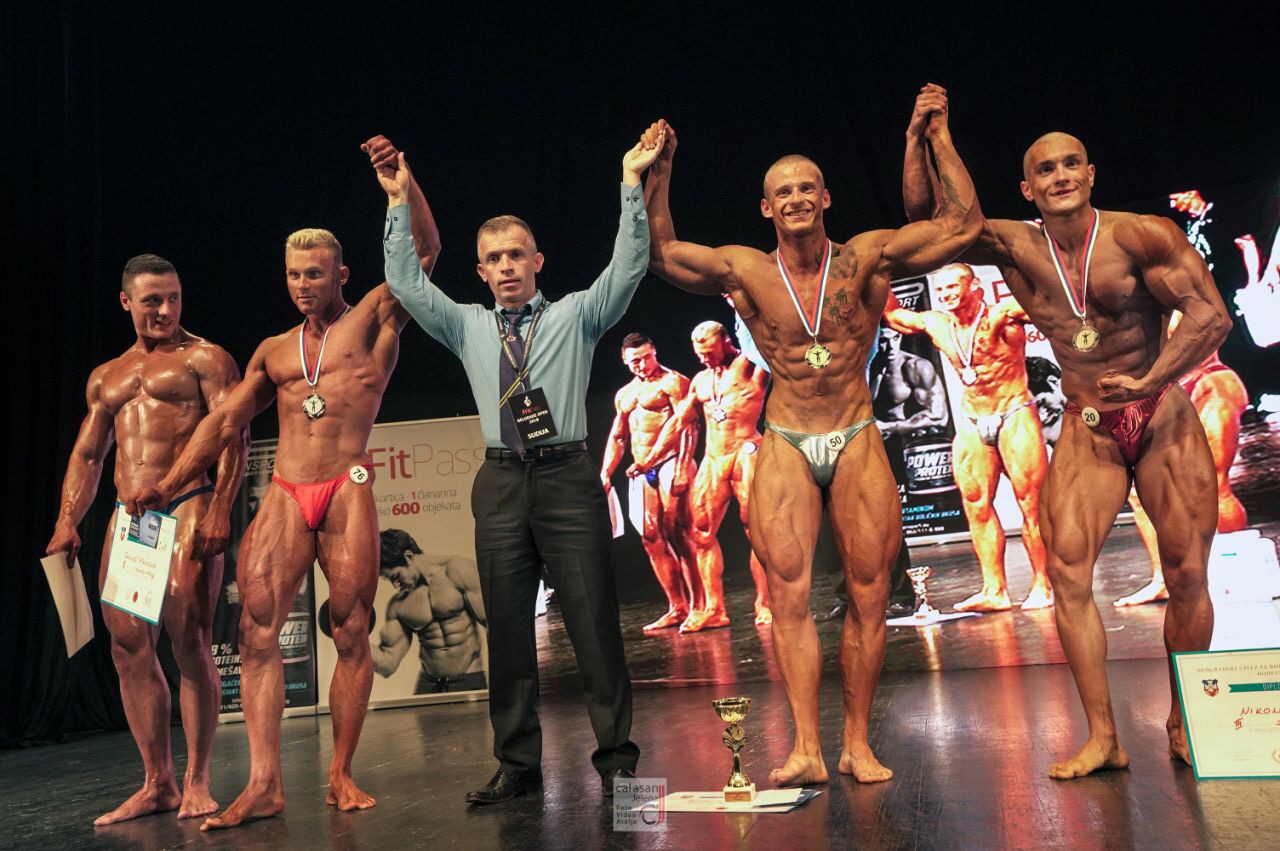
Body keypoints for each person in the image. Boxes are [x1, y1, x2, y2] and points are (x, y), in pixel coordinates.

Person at [641, 83, 981, 785]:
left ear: (825, 198)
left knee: (869, 593)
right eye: (783, 192)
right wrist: (661, 170)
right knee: (788, 598)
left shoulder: (866, 257)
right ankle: (805, 748)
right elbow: (662, 254)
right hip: (787, 438)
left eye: (806, 188)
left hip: (854, 432)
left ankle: (856, 743)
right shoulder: (746, 269)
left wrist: (932, 136)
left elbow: (960, 224)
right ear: (766, 207)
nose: (796, 198)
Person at [903, 117, 1231, 777]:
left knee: (1188, 573)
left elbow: (1211, 315)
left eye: (1071, 163)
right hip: (1089, 425)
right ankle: (1103, 736)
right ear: (1027, 187)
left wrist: (1150, 378)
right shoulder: (1017, 246)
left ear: (1090, 174)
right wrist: (930, 140)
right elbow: (935, 222)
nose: (1060, 176)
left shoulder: (1141, 235)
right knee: (1069, 576)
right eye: (1045, 169)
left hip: (1160, 415)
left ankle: (1184, 722)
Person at [131, 135, 441, 827]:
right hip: (286, 491)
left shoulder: (374, 318)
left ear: (341, 274)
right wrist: (170, 482)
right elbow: (222, 423)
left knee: (351, 628)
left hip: (346, 484)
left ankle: (341, 772)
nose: (303, 284)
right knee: (256, 631)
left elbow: (424, 254)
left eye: (315, 274)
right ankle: (265, 784)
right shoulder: (274, 350)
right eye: (294, 274)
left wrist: (402, 186)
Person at [379, 133, 663, 805]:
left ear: (537, 261)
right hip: (501, 480)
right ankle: (517, 764)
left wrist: (630, 181)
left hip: (566, 476)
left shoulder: (577, 315)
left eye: (516, 255)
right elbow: (406, 283)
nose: (506, 266)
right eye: (493, 258)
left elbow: (629, 265)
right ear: (480, 271)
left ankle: (617, 759)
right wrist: (397, 203)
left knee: (593, 624)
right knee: (507, 628)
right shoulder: (465, 326)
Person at [46, 254, 245, 826]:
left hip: (187, 503)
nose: (165, 310)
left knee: (189, 638)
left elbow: (232, 435)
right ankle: (157, 782)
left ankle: (198, 778)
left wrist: (220, 511)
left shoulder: (206, 358)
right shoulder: (106, 376)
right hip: (129, 516)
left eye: (173, 298)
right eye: (152, 300)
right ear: (126, 301)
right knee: (128, 645)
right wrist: (66, 520)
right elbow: (89, 454)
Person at [884, 263, 1054, 611]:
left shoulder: (1002, 316)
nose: (945, 294)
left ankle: (1043, 584)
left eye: (953, 286)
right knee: (976, 504)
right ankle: (995, 590)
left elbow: (1048, 303)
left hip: (1014, 411)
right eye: (940, 289)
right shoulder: (938, 324)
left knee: (1032, 505)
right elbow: (894, 317)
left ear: (975, 287)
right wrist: (878, 274)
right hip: (973, 419)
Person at [631, 320, 773, 628]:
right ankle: (715, 610)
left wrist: (738, 307)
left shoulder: (751, 367)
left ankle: (764, 604)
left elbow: (764, 337)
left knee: (758, 531)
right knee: (701, 532)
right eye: (699, 354)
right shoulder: (701, 380)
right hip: (713, 458)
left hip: (745, 452)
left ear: (726, 342)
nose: (705, 359)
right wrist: (649, 460)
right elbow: (678, 422)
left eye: (709, 352)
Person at [1115, 312, 1248, 606]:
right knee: (1140, 491)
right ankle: (1163, 581)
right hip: (1172, 392)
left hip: (1209, 383)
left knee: (1213, 484)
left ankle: (1238, 571)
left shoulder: (1179, 301)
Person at [601, 334, 702, 633]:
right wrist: (606, 473)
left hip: (671, 462)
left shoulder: (673, 382)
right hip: (642, 470)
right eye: (635, 361)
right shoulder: (625, 394)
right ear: (624, 360)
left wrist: (682, 467)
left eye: (646, 357)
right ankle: (677, 607)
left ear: (654, 351)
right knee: (650, 538)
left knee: (681, 534)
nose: (642, 365)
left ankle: (700, 607)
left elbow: (689, 426)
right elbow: (618, 436)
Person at [372, 529, 488, 692]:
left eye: (396, 576)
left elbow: (495, 626)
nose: (395, 586)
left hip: (468, 680)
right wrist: (354, 640)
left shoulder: (458, 570)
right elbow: (387, 664)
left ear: (409, 557)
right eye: (389, 580)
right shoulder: (398, 604)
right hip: (427, 685)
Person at [869, 325, 949, 435]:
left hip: (908, 437)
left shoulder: (917, 366)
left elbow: (937, 415)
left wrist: (890, 428)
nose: (891, 346)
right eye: (883, 340)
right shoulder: (865, 366)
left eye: (896, 338)